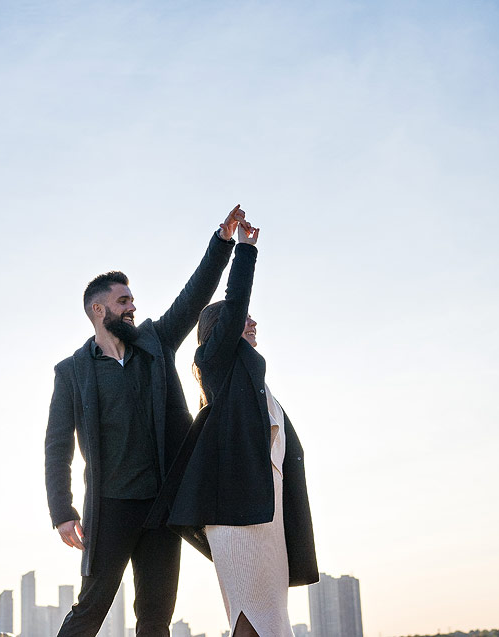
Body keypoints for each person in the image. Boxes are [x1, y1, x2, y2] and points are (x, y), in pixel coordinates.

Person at [44, 205, 245, 637]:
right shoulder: (72, 372)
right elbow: (57, 446)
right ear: (99, 310)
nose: (133, 306)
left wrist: (222, 242)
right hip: (110, 507)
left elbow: (192, 299)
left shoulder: (154, 343)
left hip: (160, 506)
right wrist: (62, 511)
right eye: (123, 300)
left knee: (155, 618)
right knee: (91, 609)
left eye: (133, 299)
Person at [148, 218, 318, 637]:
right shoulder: (216, 363)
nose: (253, 323)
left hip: (265, 513)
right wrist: (244, 250)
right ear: (221, 330)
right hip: (236, 515)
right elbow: (236, 300)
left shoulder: (255, 384)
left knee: (272, 621)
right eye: (243, 320)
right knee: (250, 615)